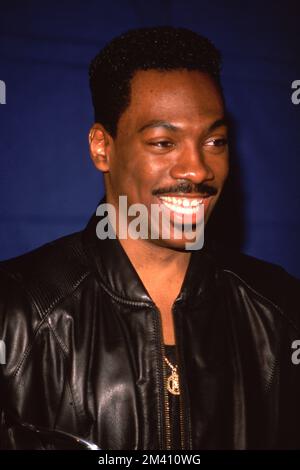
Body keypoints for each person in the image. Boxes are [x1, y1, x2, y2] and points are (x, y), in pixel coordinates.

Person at [0, 26, 300, 450]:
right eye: (163, 142)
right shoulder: (16, 313)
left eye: (215, 141)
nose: (197, 169)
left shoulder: (281, 311)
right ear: (102, 148)